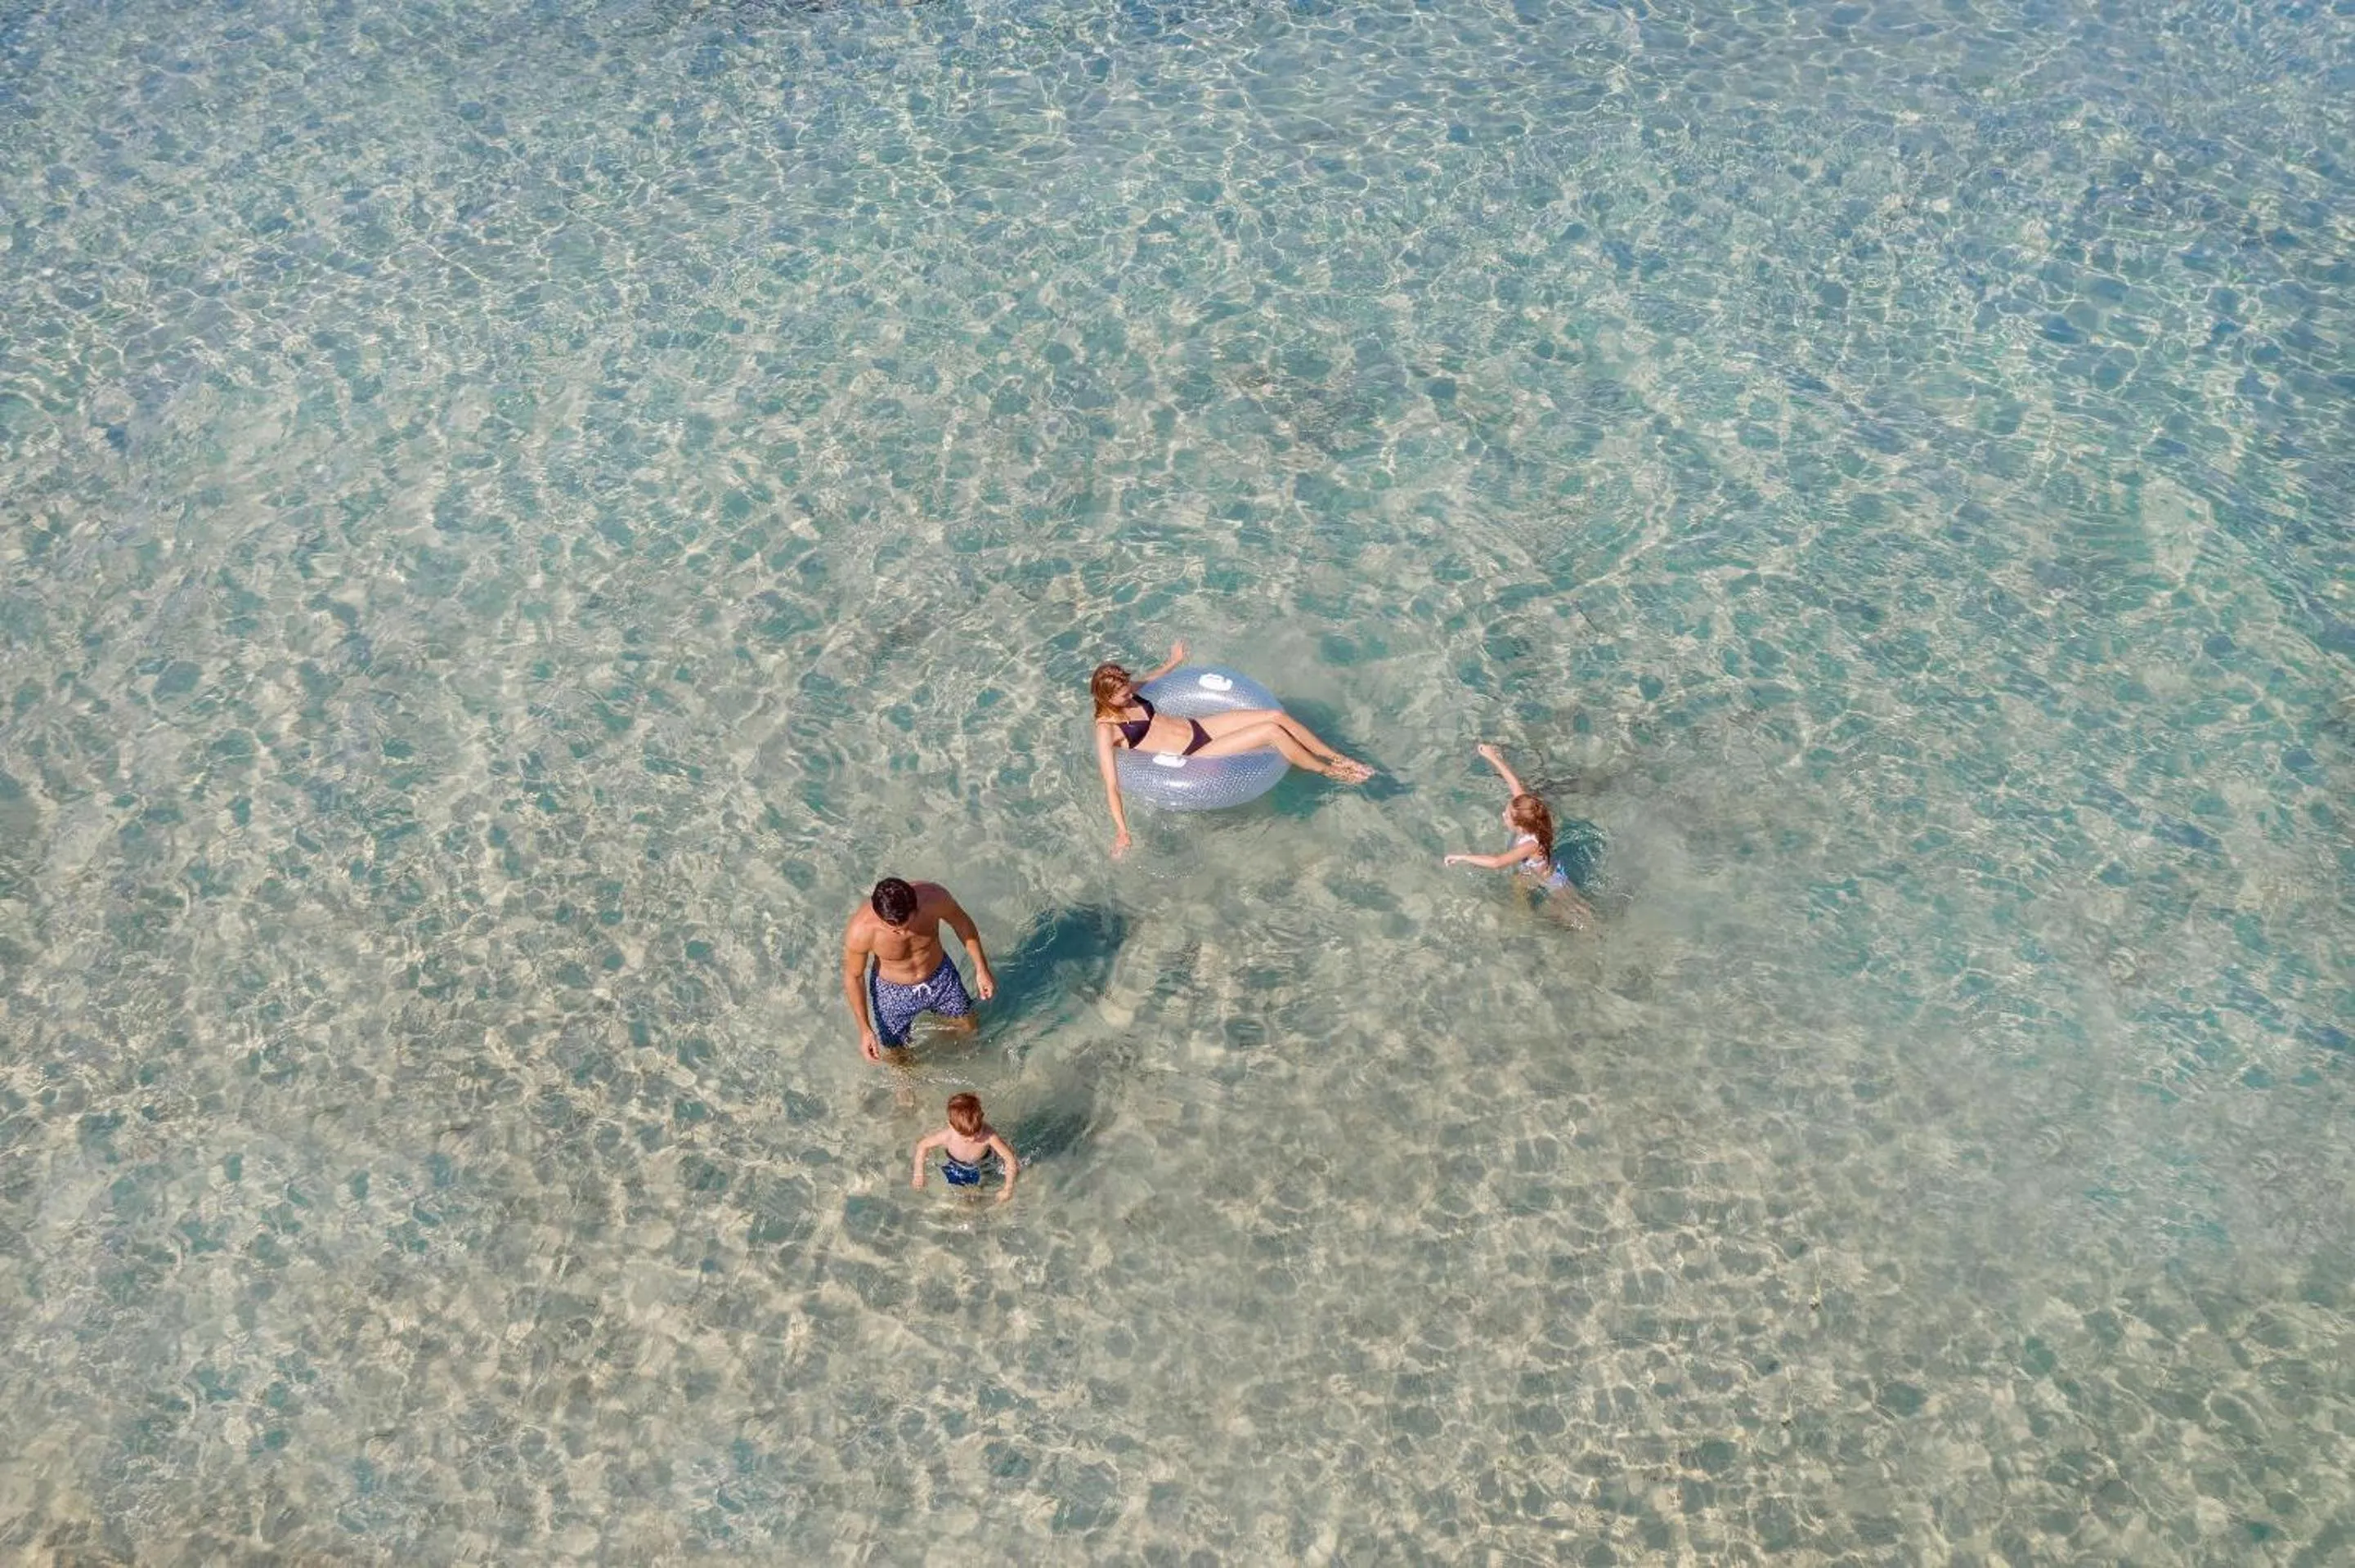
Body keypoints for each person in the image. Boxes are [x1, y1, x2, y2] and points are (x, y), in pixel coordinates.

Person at [1090, 640, 1375, 856]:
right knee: (1272, 732)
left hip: (1199, 727)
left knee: (1275, 716)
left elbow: (1152, 679)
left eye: (1128, 689)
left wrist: (1173, 661)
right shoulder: (1107, 729)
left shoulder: (1128, 692)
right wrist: (1122, 831)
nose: (1130, 694)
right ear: (1107, 697)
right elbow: (1111, 785)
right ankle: (1328, 771)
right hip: (1192, 756)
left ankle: (1335, 756)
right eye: (1124, 694)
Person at [1441, 743, 1598, 928]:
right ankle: (1524, 916)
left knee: (1576, 913)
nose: (1503, 815)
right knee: (1519, 883)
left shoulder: (1530, 845)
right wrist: (1493, 758)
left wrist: (1463, 857)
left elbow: (1497, 862)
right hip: (1531, 873)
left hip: (1552, 880)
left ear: (1521, 826)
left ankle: (1595, 934)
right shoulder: (1532, 816)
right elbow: (1514, 784)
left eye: (1507, 816)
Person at [841, 877, 997, 1061]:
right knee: (898, 1056)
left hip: (940, 978)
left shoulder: (934, 898)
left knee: (969, 1031)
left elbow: (962, 924)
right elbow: (854, 976)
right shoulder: (861, 931)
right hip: (893, 992)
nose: (902, 933)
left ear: (915, 907)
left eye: (906, 924)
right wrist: (865, 1030)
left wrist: (981, 968)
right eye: (893, 928)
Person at [911, 1092, 1019, 1203]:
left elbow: (1009, 1158)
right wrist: (919, 1174)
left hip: (984, 1162)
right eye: (965, 1136)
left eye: (977, 1132)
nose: (972, 1139)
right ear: (951, 1125)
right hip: (954, 1162)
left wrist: (1008, 1188)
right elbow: (922, 1146)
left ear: (982, 1117)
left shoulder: (989, 1136)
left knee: (984, 1191)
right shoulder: (948, 1136)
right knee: (954, 1195)